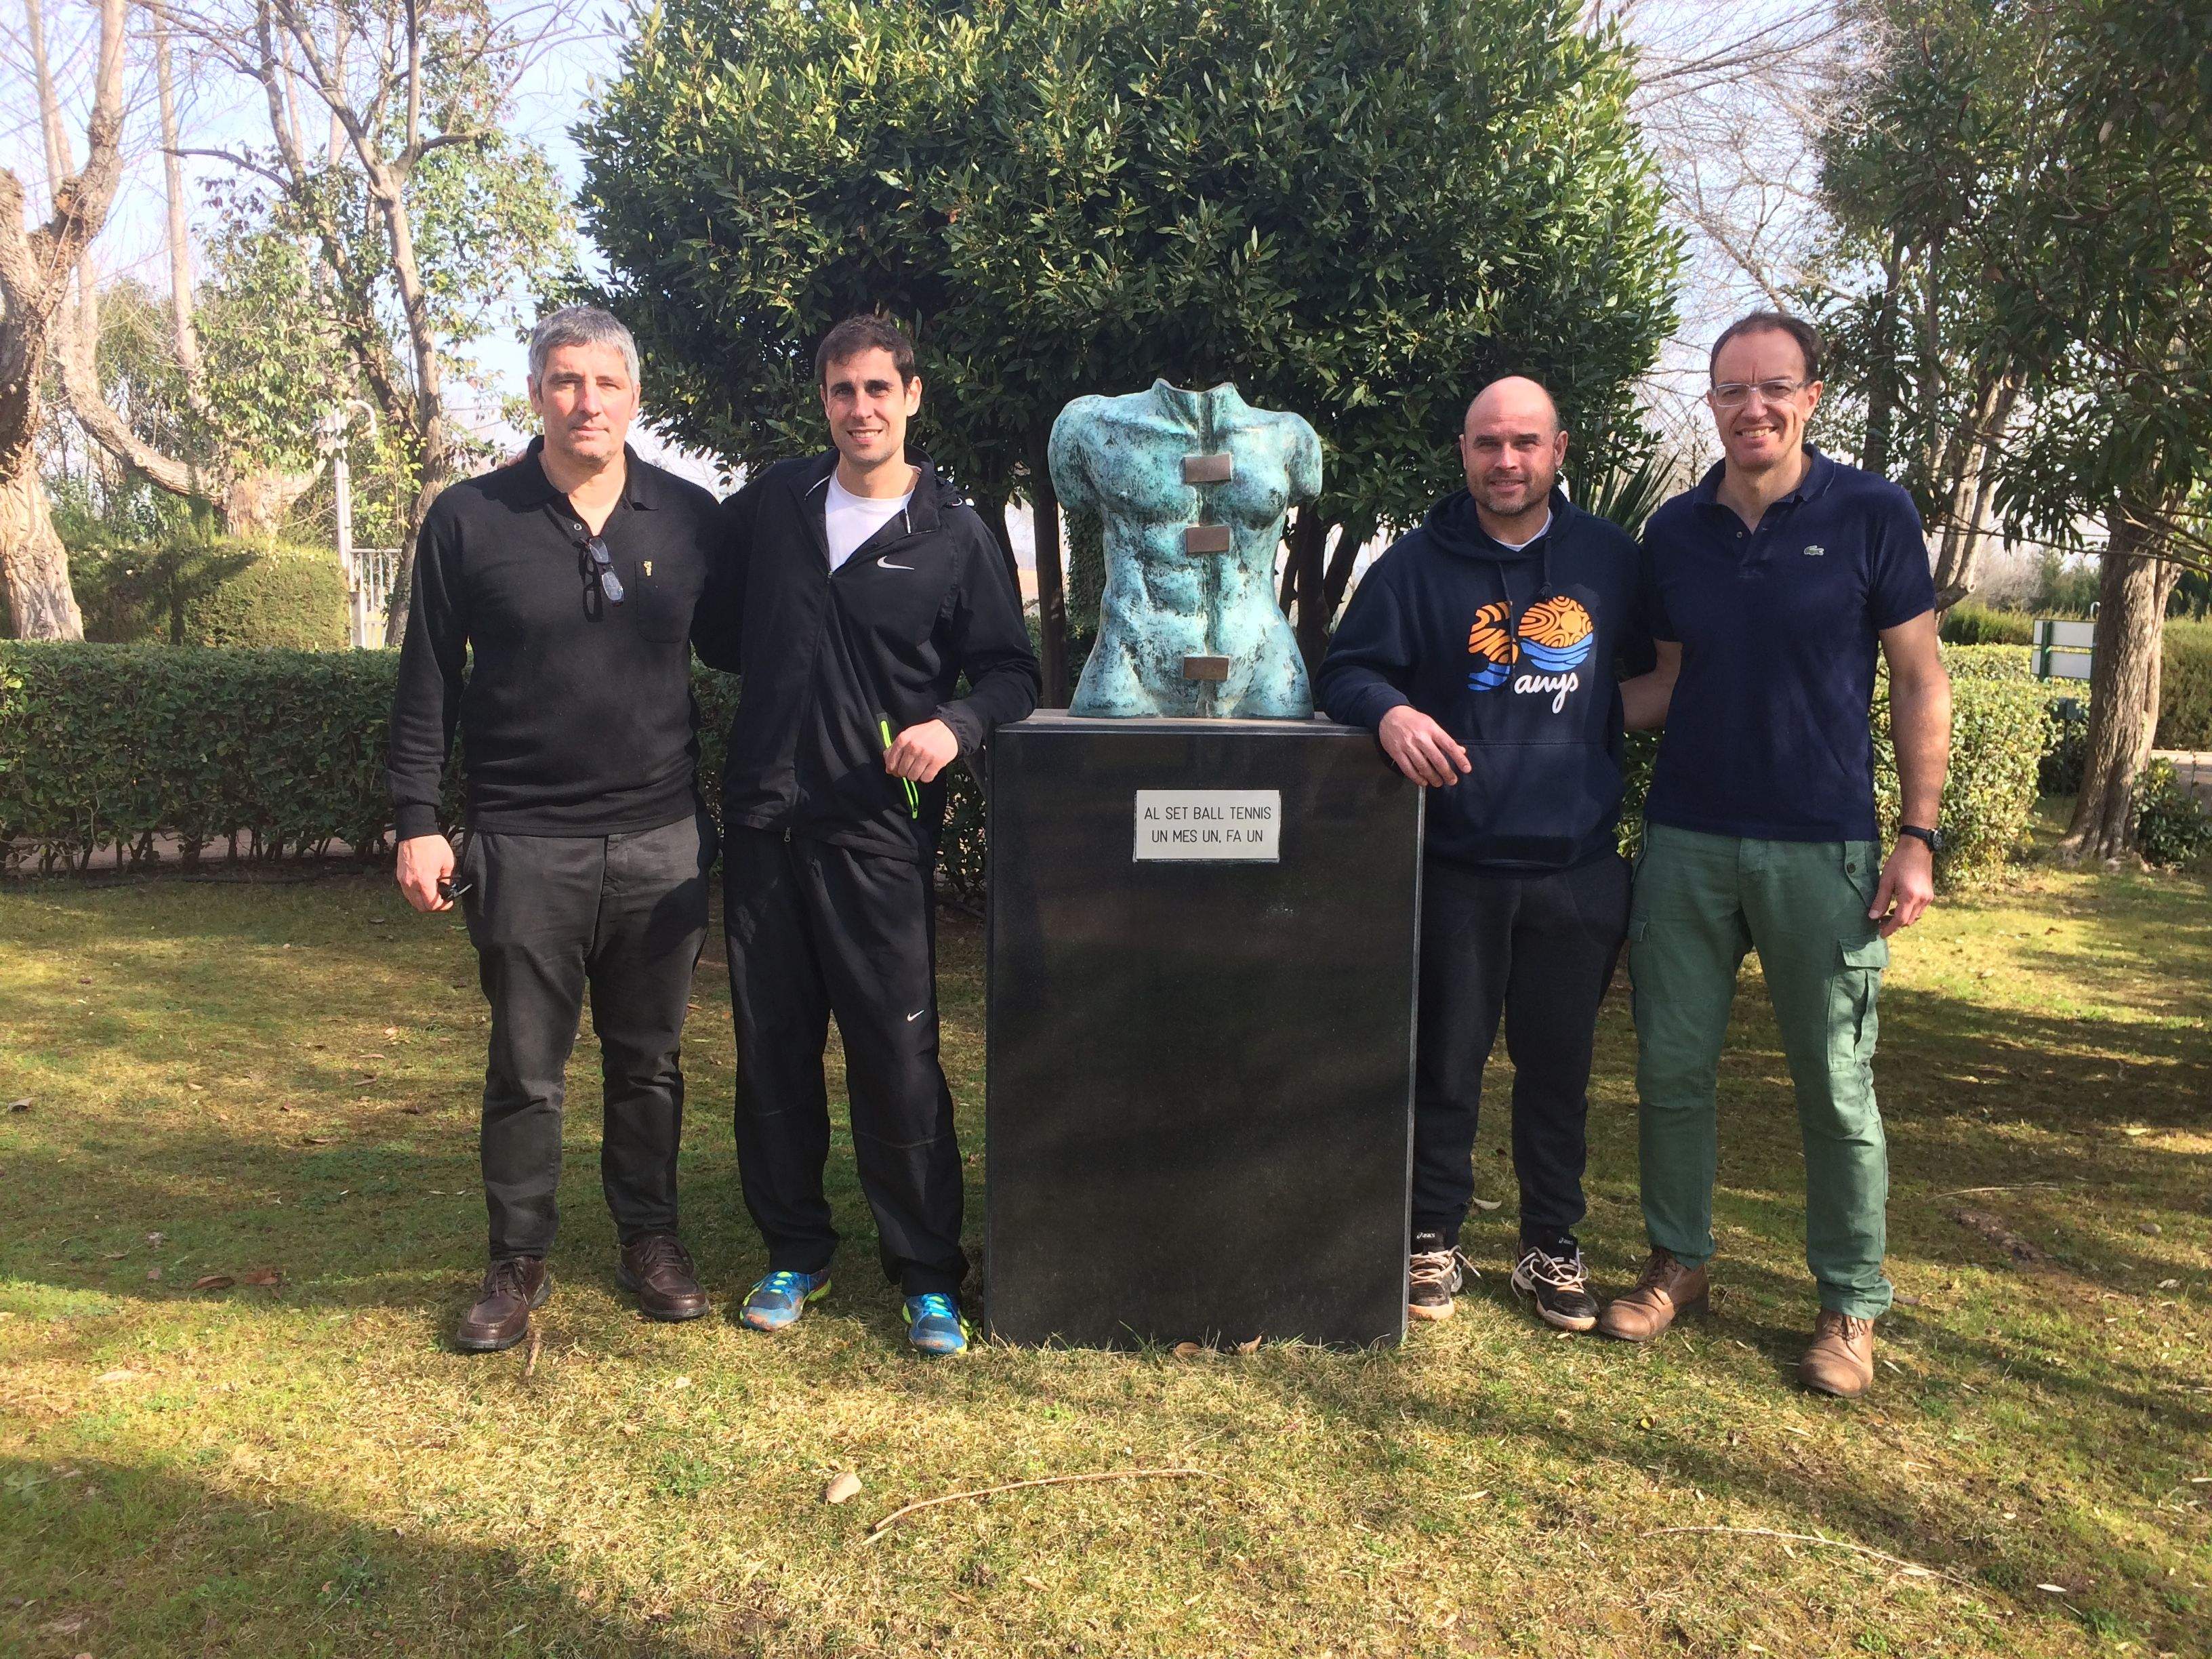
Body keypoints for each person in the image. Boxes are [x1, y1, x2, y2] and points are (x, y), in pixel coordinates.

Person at [1596, 312, 1951, 1399]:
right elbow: (1663, 684)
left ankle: (1849, 1305)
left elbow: (1922, 678)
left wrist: (1919, 836)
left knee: (1836, 1087)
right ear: (1710, 403)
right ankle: (1678, 1261)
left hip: (1824, 848)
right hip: (1689, 842)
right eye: (1732, 390)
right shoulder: (1674, 533)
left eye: (1774, 388)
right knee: (1669, 1069)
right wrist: (1546, 711)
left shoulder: (1872, 514)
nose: (1753, 407)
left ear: (1810, 398)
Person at [695, 315, 1038, 1356]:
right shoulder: (775, 504)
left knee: (897, 1054)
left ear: (913, 397)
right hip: (764, 825)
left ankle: (928, 1273)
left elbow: (1012, 673)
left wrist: (954, 724)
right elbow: (716, 629)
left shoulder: (953, 531)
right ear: (825, 402)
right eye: (843, 391)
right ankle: (794, 1251)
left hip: (877, 835)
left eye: (879, 389)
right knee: (774, 1054)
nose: (861, 409)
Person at [388, 305, 726, 1352]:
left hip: (661, 840)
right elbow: (428, 678)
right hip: (523, 841)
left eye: (608, 384)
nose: (588, 402)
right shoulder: (469, 519)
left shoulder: (689, 516)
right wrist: (417, 820)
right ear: (536, 392)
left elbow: (761, 641)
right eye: (567, 382)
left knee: (650, 1062)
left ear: (635, 396)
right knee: (526, 1068)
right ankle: (516, 1256)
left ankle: (650, 1240)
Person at [1317, 375, 1667, 1330]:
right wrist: (1388, 712)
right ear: (1464, 452)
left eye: (1524, 443)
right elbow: (1347, 671)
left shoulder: (1612, 561)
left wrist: (1586, 731)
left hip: (1578, 867)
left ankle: (1551, 1245)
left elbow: (1659, 670)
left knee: (1560, 1071)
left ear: (1559, 452)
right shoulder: (1416, 566)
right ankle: (1431, 1237)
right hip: (1455, 865)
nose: (1504, 461)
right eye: (1486, 443)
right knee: (1446, 1064)